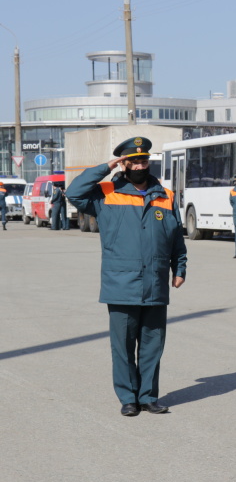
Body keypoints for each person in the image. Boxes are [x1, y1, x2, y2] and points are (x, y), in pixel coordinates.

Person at [66, 136, 187, 416]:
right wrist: (106, 167)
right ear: (123, 164)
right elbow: (74, 192)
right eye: (132, 161)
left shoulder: (165, 195)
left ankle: (148, 396)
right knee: (122, 346)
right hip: (120, 283)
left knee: (152, 345)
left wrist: (179, 268)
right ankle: (128, 398)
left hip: (155, 282)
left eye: (143, 160)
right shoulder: (106, 191)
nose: (139, 165)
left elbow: (176, 239)